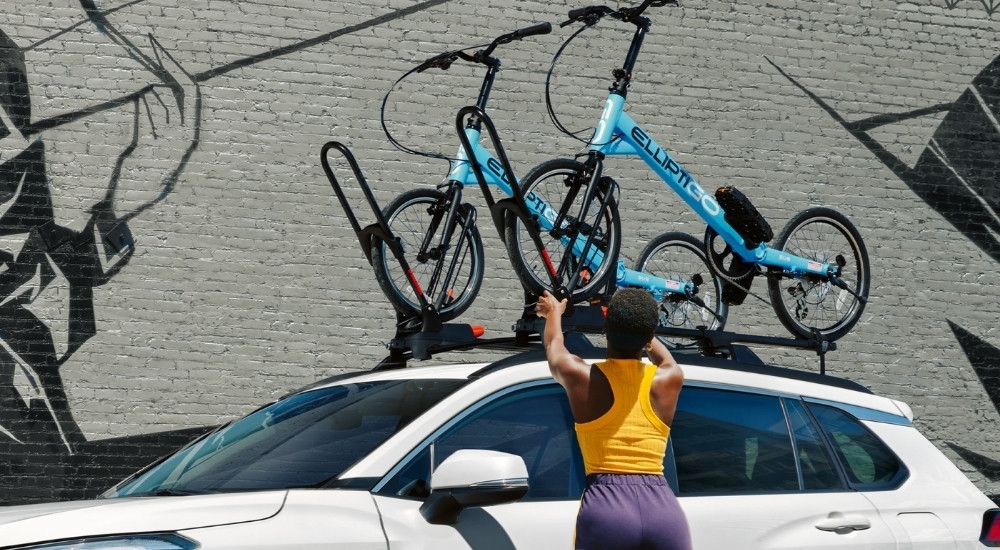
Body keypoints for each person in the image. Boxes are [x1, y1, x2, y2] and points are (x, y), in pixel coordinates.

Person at [536, 288, 692, 550]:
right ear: (648, 337)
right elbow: (663, 356)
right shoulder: (670, 379)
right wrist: (642, 331)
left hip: (607, 509)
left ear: (605, 328)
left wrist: (554, 312)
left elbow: (554, 346)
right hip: (663, 512)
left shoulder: (582, 377)